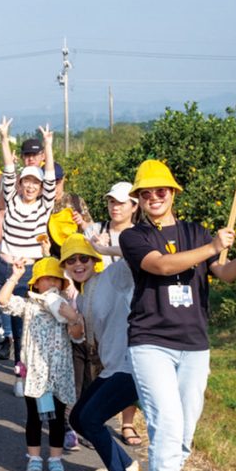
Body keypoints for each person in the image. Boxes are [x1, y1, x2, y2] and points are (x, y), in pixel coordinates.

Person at [119, 160, 236, 471]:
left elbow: (224, 274)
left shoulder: (196, 231)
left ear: (173, 194)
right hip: (151, 340)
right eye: (146, 193)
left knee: (184, 431)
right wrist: (212, 247)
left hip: (194, 343)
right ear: (138, 199)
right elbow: (163, 265)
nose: (154, 197)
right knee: (166, 426)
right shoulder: (134, 237)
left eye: (161, 191)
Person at [59, 234, 143, 471]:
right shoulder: (81, 297)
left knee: (92, 419)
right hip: (112, 368)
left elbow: (138, 252)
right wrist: (73, 322)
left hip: (132, 366)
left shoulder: (114, 276)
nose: (78, 264)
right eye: (71, 260)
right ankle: (128, 465)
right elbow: (81, 336)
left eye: (84, 258)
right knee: (80, 420)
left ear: (94, 261)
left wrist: (105, 248)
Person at [0, 257, 84, 471]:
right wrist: (15, 276)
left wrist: (73, 319)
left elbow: (78, 337)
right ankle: (34, 459)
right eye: (47, 278)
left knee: (57, 420)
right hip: (35, 373)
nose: (53, 283)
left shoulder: (65, 306)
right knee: (34, 418)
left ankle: (55, 461)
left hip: (60, 372)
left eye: (57, 279)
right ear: (36, 283)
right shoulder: (29, 305)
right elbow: (3, 301)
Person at [0, 118, 57, 396]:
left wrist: (49, 146)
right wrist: (4, 138)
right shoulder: (12, 199)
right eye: (25, 182)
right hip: (2, 266)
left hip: (28, 271)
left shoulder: (44, 205)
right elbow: (7, 171)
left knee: (23, 322)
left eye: (34, 183)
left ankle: (22, 372)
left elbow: (49, 175)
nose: (29, 187)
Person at [85, 181, 143, 447]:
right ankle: (94, 419)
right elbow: (78, 264)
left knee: (126, 366)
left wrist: (107, 250)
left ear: (134, 206)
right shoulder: (95, 231)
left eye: (121, 202)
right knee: (99, 363)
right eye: (111, 202)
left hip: (130, 309)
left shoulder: (140, 235)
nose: (115, 207)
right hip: (98, 306)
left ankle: (127, 422)